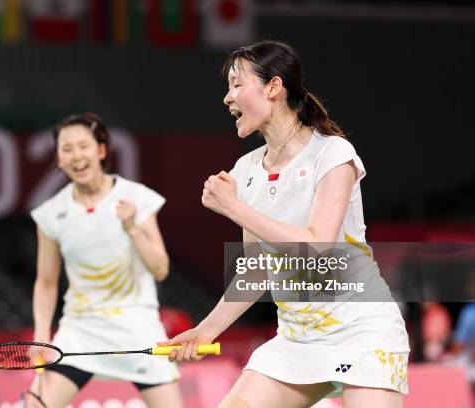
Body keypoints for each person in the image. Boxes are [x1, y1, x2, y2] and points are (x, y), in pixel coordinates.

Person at [158, 40, 410, 408]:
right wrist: (203, 330)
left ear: (273, 87)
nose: (228, 98)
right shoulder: (245, 172)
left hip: (362, 330)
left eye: (236, 85)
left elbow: (318, 246)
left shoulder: (333, 154)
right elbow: (256, 270)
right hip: (296, 340)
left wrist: (235, 209)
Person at [28, 112, 182, 407]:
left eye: (83, 146)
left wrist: (132, 227)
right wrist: (40, 336)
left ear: (100, 151)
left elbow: (160, 270)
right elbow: (46, 283)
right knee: (37, 405)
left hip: (136, 324)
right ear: (59, 159)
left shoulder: (136, 197)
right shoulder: (51, 213)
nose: (76, 155)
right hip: (81, 329)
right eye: (67, 149)